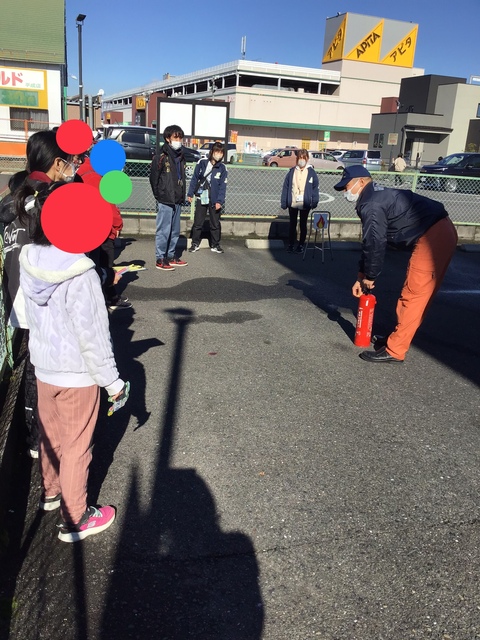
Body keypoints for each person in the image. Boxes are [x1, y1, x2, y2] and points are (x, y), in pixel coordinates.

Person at [18, 181, 128, 542]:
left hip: (43, 366)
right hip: (77, 374)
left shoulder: (30, 258)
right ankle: (76, 517)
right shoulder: (81, 272)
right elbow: (93, 336)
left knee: (51, 437)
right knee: (77, 445)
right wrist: (112, 383)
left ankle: (50, 493)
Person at [0, 130, 77, 458]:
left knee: (34, 364)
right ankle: (39, 438)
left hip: (13, 291)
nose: (71, 166)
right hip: (40, 294)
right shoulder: (50, 199)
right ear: (57, 162)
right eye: (68, 161)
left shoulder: (12, 197)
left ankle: (36, 435)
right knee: (42, 368)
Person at [334, 165, 458, 363]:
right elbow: (370, 242)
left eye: (346, 186)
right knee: (416, 295)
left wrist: (370, 276)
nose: (344, 192)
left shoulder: (371, 204)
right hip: (437, 230)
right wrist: (361, 276)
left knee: (414, 295)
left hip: (434, 236)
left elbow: (375, 243)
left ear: (362, 181)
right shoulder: (373, 196)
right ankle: (397, 339)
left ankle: (395, 350)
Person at [76, 153, 132, 310]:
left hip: (86, 227)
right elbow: (108, 205)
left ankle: (105, 296)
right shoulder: (96, 177)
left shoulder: (83, 172)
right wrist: (117, 225)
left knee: (93, 264)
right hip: (101, 229)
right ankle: (108, 297)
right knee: (104, 264)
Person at [149, 124, 188, 271]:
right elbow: (154, 178)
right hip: (165, 198)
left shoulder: (181, 156)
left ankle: (171, 256)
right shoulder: (161, 156)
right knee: (163, 230)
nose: (178, 141)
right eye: (175, 138)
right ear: (167, 138)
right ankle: (160, 258)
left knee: (175, 230)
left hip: (177, 198)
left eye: (180, 138)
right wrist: (159, 194)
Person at [187, 142, 228, 253]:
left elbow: (223, 186)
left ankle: (215, 244)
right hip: (202, 196)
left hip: (215, 199)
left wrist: (220, 201)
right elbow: (194, 179)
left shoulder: (223, 168)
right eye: (217, 152)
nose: (219, 154)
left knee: (215, 223)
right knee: (198, 222)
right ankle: (195, 243)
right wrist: (190, 194)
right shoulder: (202, 162)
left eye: (221, 153)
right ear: (212, 152)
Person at [280, 149, 319, 253]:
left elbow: (315, 188)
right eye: (300, 158)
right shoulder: (292, 171)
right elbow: (286, 187)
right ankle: (291, 244)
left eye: (303, 158)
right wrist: (284, 202)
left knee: (303, 224)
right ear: (297, 159)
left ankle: (301, 245)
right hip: (293, 201)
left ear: (307, 159)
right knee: (292, 224)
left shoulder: (311, 172)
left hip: (305, 203)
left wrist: (314, 201)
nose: (301, 160)